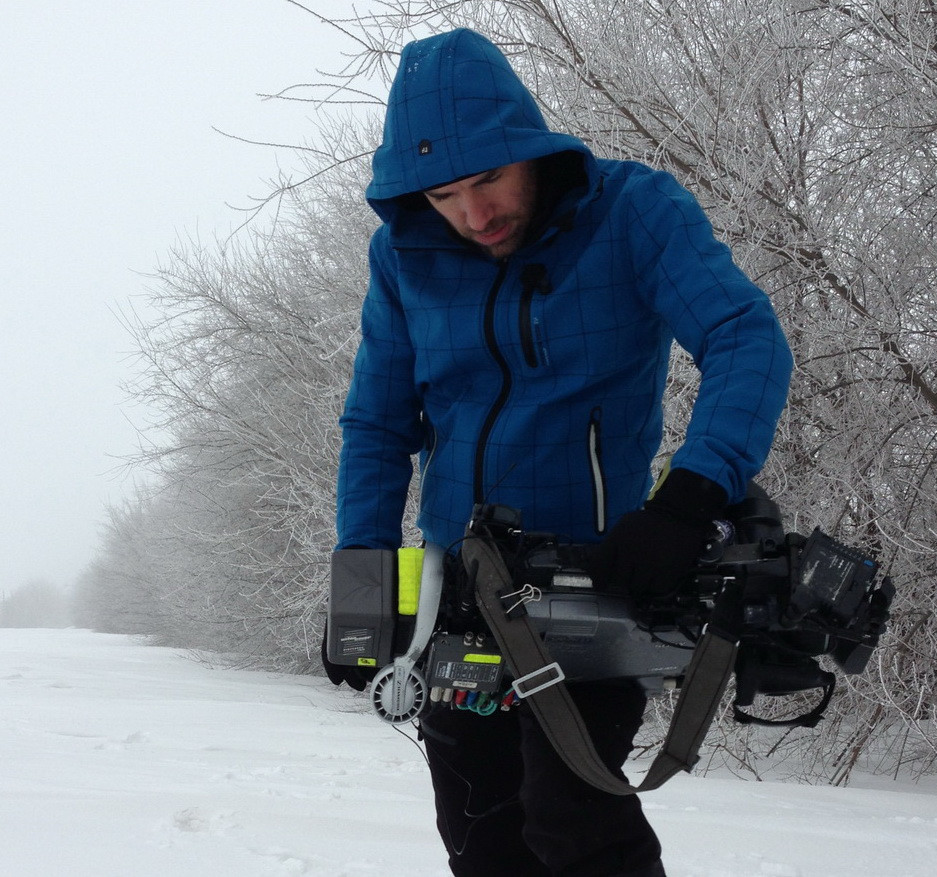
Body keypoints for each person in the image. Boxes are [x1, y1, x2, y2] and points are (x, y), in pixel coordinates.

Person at [326, 28, 793, 877]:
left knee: (573, 816)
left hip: (600, 582)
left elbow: (745, 336)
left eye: (488, 180)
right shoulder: (402, 260)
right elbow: (378, 422)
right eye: (443, 197)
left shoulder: (631, 213)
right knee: (482, 836)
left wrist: (690, 499)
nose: (474, 216)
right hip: (461, 593)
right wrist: (361, 580)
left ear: (528, 147)